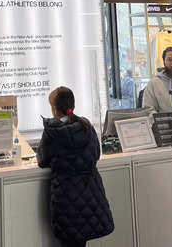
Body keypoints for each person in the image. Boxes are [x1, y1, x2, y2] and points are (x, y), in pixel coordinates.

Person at [37, 86, 114, 247]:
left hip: (66, 197)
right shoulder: (86, 126)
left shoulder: (52, 131)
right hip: (90, 193)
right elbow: (96, 154)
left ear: (54, 108)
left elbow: (42, 160)